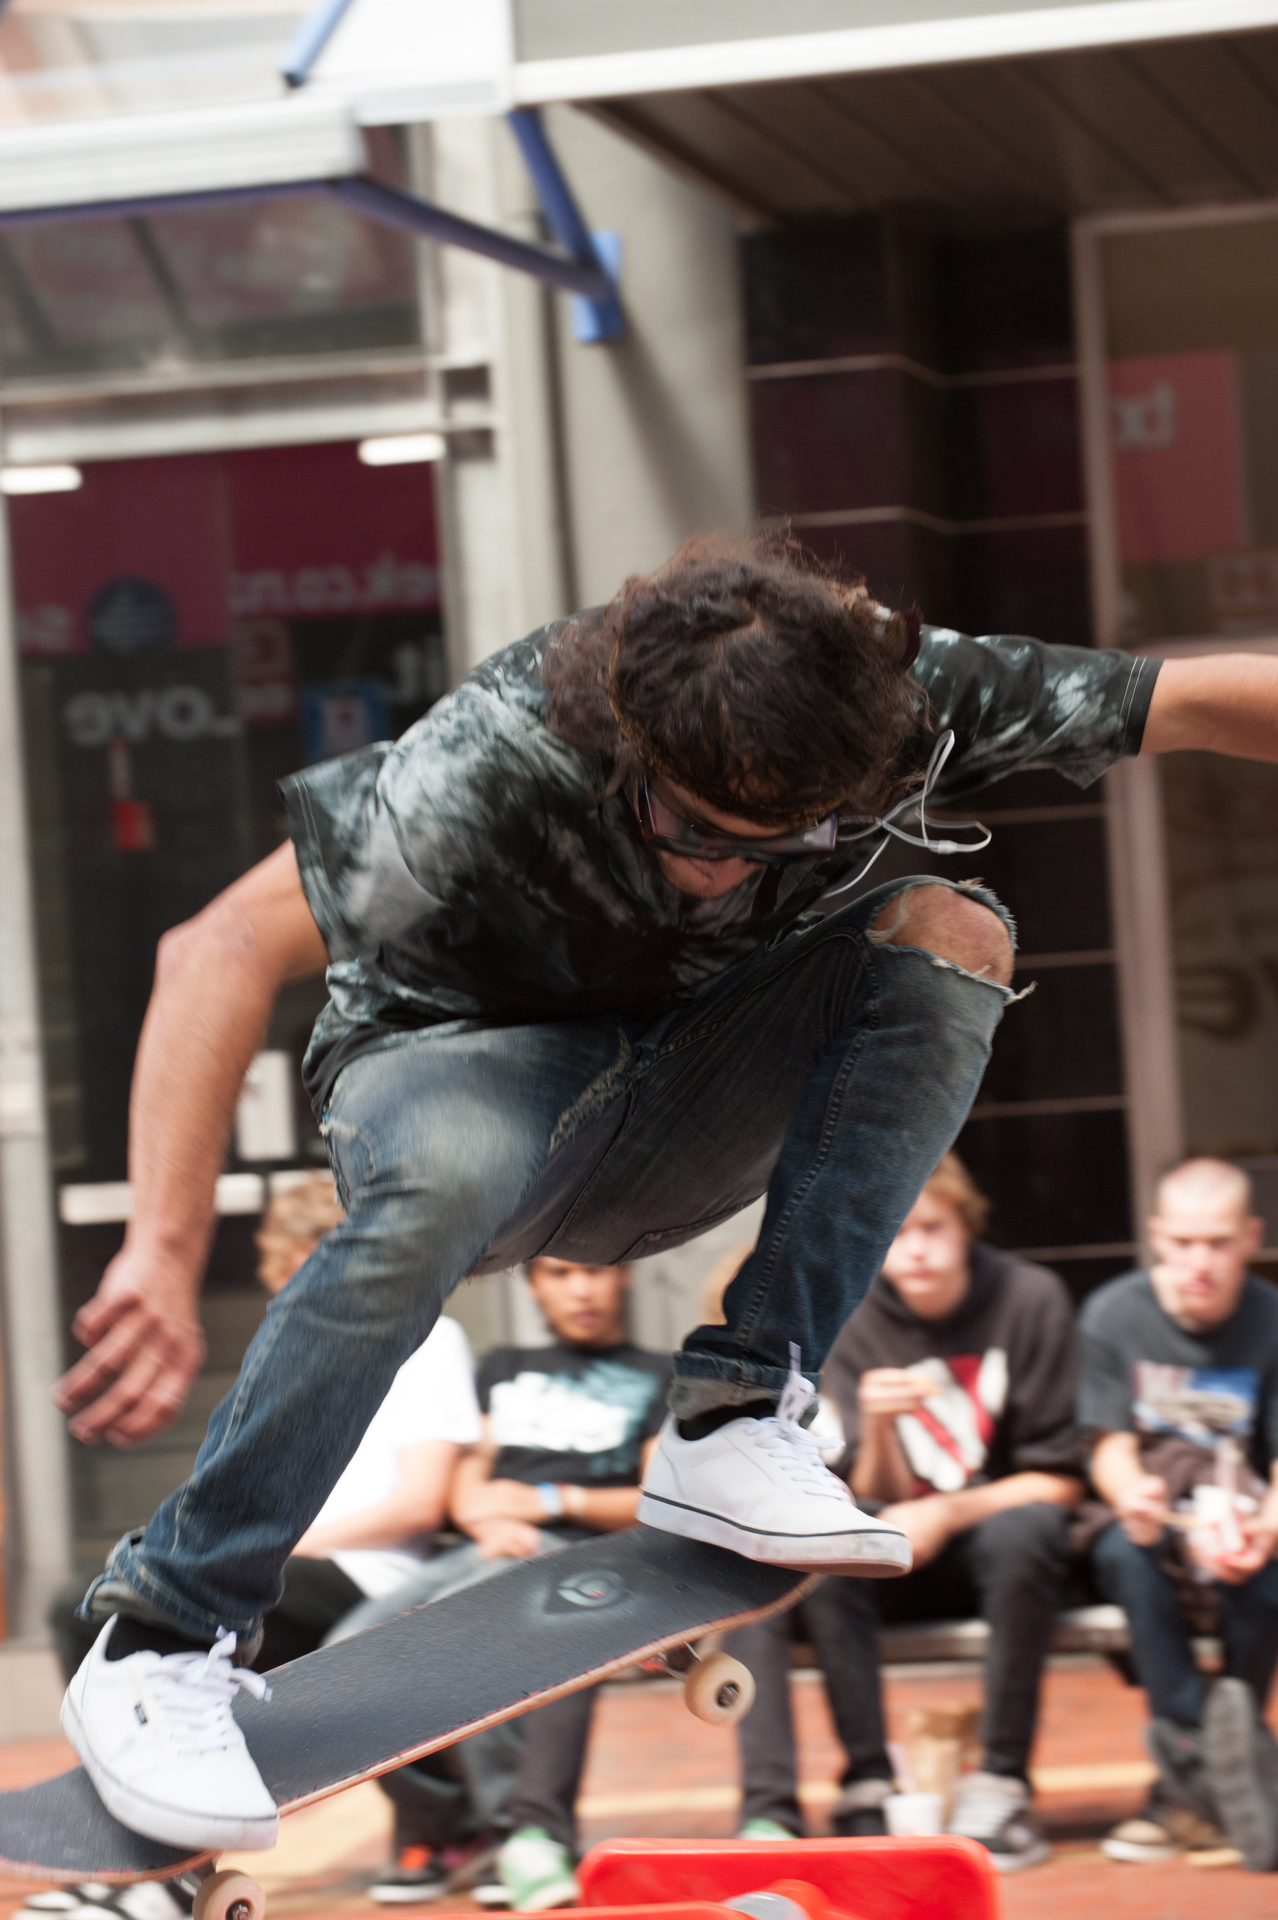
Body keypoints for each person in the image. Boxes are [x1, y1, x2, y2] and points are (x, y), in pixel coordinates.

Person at [51, 530, 1278, 1851]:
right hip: (456, 1071)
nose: (721, 869)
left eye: (780, 840)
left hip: (675, 1094)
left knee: (950, 932)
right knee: (454, 1169)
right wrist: (161, 1247)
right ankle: (163, 1627)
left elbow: (1192, 699)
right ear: (627, 743)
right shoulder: (500, 751)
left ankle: (737, 1410)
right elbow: (219, 944)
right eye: (687, 827)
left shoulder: (906, 700)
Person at [38, 1176, 486, 1918]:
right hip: (277, 1567)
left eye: (322, 1264)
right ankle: (139, 1849)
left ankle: (157, 1877)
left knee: (158, 1619)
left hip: (364, 1573)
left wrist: (275, 1548)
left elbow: (418, 1503)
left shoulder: (430, 1340)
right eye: (290, 1270)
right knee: (82, 1608)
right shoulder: (285, 1352)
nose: (303, 1289)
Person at [728, 1153, 1081, 1871]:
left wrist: (947, 1513)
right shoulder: (854, 1310)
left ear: (967, 1227)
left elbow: (1059, 1481)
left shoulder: (1029, 1298)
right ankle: (868, 1778)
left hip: (997, 1549)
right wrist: (880, 1428)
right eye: (898, 1231)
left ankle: (1000, 1781)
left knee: (1026, 1532)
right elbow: (866, 1485)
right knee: (832, 1541)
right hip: (890, 1547)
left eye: (933, 1228)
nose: (915, 1249)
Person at [329, 1254, 669, 1913]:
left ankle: (517, 1833)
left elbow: (654, 1498)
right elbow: (468, 1478)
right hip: (489, 1544)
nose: (581, 1288)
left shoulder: (659, 1375)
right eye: (560, 1274)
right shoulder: (505, 1367)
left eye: (594, 1271)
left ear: (623, 1275)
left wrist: (549, 1501)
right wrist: (487, 1519)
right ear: (534, 1284)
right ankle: (457, 1821)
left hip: (584, 1555)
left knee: (470, 1631)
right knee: (349, 1651)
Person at [1080, 1158, 1278, 1872]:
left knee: (1266, 1581)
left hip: (1239, 1512)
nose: (1201, 1261)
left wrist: (1267, 1528)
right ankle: (1205, 1762)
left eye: (1219, 1243)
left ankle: (1196, 1783)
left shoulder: (1271, 1319)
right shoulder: (1114, 1314)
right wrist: (1131, 1494)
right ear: (1158, 1236)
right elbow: (1108, 1446)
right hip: (1151, 1516)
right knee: (1126, 1557)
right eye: (1185, 1242)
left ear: (1251, 1237)